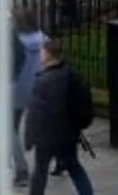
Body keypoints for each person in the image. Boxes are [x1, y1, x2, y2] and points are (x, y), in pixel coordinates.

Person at [24, 32, 98, 195]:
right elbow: (84, 104)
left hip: (46, 137)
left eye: (42, 52)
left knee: (40, 172)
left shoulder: (41, 83)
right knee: (74, 166)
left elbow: (35, 115)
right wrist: (78, 125)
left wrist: (29, 138)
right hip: (68, 134)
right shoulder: (72, 76)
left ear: (48, 56)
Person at [7, 10, 47, 186]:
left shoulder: (15, 42)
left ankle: (21, 171)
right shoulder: (43, 39)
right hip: (37, 89)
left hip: (16, 90)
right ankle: (63, 160)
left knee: (9, 128)